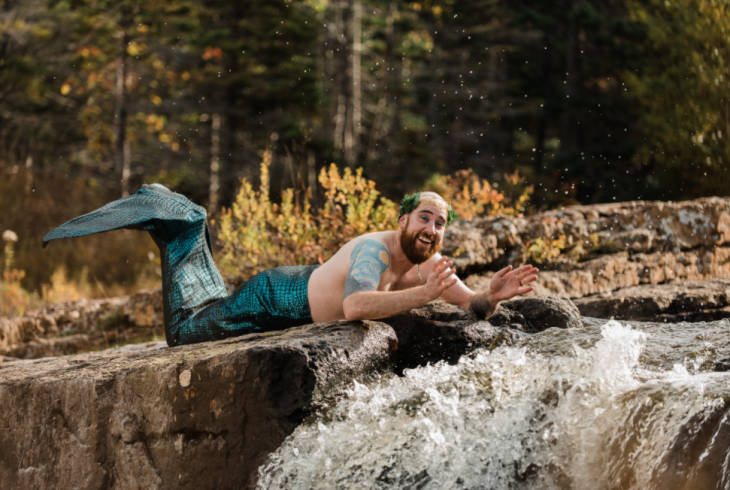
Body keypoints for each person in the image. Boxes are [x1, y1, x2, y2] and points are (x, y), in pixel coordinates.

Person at [43, 184, 538, 347]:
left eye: (442, 223)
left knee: (207, 307)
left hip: (297, 300)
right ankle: (180, 222)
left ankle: (185, 228)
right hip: (275, 295)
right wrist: (426, 296)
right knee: (184, 333)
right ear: (404, 219)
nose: (433, 228)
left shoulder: (430, 266)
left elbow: (470, 305)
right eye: (425, 217)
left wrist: (492, 296)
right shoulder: (375, 251)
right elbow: (355, 305)